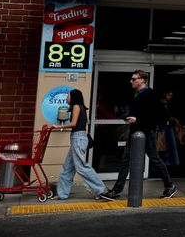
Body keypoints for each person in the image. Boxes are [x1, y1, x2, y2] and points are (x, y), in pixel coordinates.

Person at [102, 70, 176, 200]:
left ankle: (170, 185)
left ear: (142, 80)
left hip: (147, 133)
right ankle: (116, 191)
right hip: (135, 133)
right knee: (125, 161)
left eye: (134, 79)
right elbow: (139, 112)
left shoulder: (151, 94)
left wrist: (138, 120)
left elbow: (158, 115)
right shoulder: (136, 94)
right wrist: (129, 117)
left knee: (154, 159)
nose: (131, 81)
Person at [51, 89, 111, 201]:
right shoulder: (80, 107)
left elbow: (73, 124)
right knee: (67, 168)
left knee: (81, 167)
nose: (66, 98)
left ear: (73, 97)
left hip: (78, 138)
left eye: (68, 96)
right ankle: (62, 194)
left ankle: (102, 190)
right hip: (78, 138)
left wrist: (57, 127)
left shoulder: (76, 106)